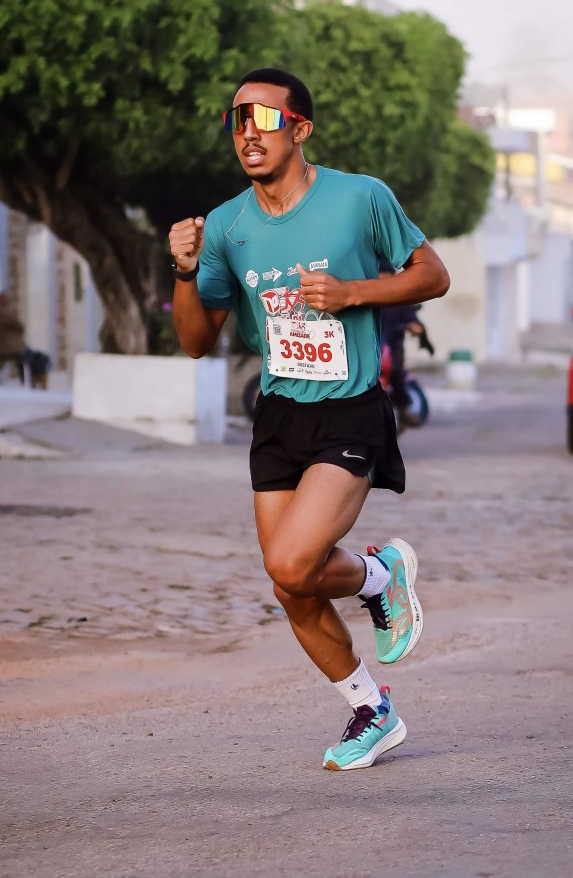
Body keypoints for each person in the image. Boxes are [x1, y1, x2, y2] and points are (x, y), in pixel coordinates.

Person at [169, 68, 450, 771]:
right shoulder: (228, 226)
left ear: (300, 128)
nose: (247, 133)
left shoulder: (361, 199)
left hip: (348, 407)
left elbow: (432, 274)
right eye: (236, 120)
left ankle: (381, 576)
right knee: (288, 584)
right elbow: (197, 341)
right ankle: (371, 709)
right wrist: (181, 271)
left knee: (294, 560)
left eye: (263, 119)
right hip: (279, 414)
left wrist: (354, 292)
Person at [379, 258, 434, 428]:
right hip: (368, 349)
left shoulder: (400, 299)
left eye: (386, 276)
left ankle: (404, 409)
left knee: (396, 372)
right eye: (379, 276)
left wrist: (414, 327)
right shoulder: (365, 298)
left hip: (391, 349)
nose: (382, 280)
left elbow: (413, 320)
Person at [0, 291, 51, 390]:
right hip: (12, 349)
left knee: (39, 358)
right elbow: (19, 326)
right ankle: (36, 380)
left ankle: (36, 379)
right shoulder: (2, 313)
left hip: (14, 347)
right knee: (40, 358)